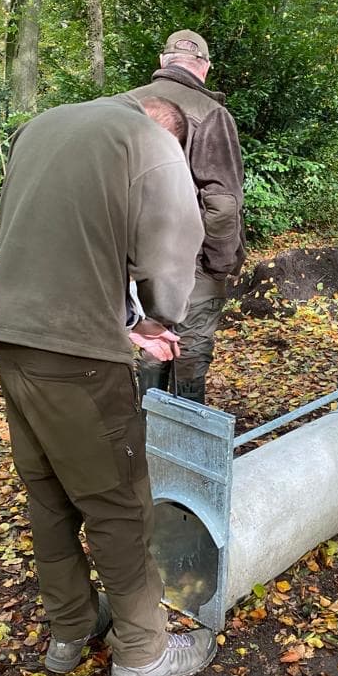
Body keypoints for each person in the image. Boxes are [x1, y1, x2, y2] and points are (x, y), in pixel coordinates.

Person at [0, 94, 217, 676]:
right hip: (78, 357)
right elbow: (170, 247)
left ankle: (71, 627)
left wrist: (123, 320)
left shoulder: (44, 127)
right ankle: (143, 651)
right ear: (172, 133)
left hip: (10, 338)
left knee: (49, 493)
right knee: (118, 501)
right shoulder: (151, 143)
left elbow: (56, 243)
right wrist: (160, 319)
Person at [129, 29, 246, 403]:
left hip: (128, 257)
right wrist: (219, 263)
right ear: (205, 68)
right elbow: (223, 203)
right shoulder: (211, 113)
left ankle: (144, 430)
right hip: (189, 259)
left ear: (163, 63)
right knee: (190, 348)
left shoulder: (122, 105)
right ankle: (187, 445)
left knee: (149, 338)